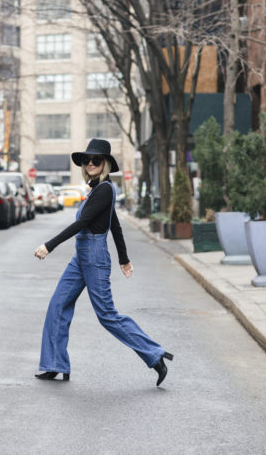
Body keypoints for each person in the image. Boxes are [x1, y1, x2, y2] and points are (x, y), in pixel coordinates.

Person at [34, 138, 173, 386]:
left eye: (96, 160)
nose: (90, 163)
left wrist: (49, 245)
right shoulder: (98, 189)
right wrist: (124, 259)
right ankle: (54, 364)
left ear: (106, 163)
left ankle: (155, 354)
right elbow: (115, 224)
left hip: (95, 258)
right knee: (58, 304)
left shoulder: (106, 189)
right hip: (81, 257)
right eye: (87, 160)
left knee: (107, 315)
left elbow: (82, 223)